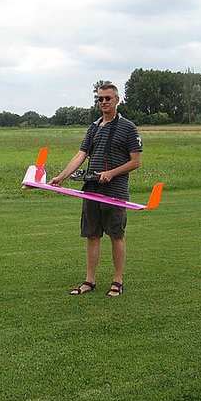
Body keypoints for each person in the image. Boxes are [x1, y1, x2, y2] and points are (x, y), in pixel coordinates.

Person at [49, 84, 143, 297]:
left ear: (117, 100)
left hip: (115, 191)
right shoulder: (94, 127)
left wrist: (112, 173)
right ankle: (89, 281)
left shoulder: (128, 127)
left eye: (108, 98)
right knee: (92, 235)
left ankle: (117, 281)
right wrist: (61, 177)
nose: (103, 102)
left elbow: (135, 161)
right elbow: (81, 154)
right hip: (91, 189)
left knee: (116, 235)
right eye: (100, 99)